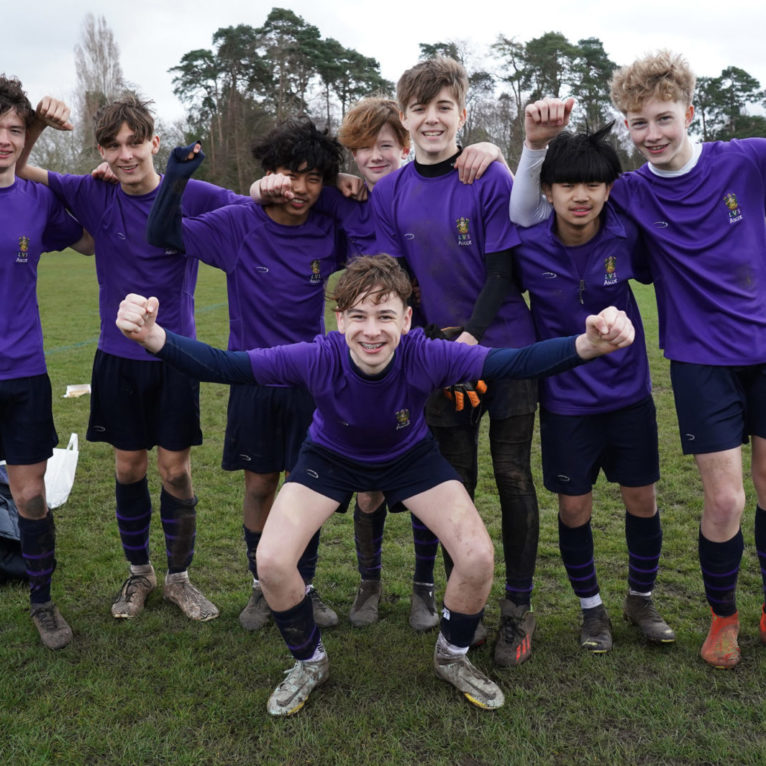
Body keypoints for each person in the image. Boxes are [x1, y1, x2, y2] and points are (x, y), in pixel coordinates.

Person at [115, 254, 636, 715]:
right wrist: (152, 337)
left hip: (410, 458)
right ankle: (309, 662)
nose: (372, 330)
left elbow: (511, 362)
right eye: (359, 316)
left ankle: (452, 656)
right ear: (339, 319)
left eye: (386, 316)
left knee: (477, 556)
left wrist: (587, 344)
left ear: (407, 320)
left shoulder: (427, 353)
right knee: (272, 562)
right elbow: (226, 366)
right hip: (330, 459)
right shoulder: (317, 355)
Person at [509, 50, 766, 669]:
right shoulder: (626, 194)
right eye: (638, 122)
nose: (651, 134)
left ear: (689, 112)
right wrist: (512, 151)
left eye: (663, 119)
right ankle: (722, 615)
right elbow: (535, 206)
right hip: (699, 358)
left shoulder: (749, 159)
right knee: (726, 501)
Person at [251, 98, 505, 632]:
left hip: (420, 347)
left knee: (420, 474)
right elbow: (291, 194)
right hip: (366, 347)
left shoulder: (423, 186)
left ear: (405, 145)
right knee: (368, 486)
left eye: (384, 146)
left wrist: (493, 148)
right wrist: (262, 186)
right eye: (361, 150)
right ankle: (369, 584)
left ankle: (423, 586)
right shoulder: (344, 200)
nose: (372, 157)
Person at [17, 95, 244, 623]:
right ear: (100, 149)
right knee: (128, 466)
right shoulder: (91, 192)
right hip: (116, 358)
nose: (125, 155)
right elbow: (19, 165)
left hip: (177, 356)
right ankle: (139, 574)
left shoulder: (192, 193)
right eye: (113, 145)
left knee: (175, 470)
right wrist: (34, 125)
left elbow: (254, 203)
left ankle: (180, 579)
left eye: (134, 142)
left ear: (154, 143)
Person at [146, 118, 348, 632]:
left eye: (314, 178)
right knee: (260, 486)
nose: (300, 189)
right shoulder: (240, 222)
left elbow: (370, 215)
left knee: (306, 487)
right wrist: (176, 177)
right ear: (269, 173)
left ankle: (303, 583)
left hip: (311, 381)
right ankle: (262, 588)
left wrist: (344, 186)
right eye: (289, 174)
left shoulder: (329, 228)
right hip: (253, 379)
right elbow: (163, 231)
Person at [371, 57, 540, 667]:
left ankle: (517, 610)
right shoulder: (389, 190)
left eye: (445, 107)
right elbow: (397, 281)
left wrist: (471, 338)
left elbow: (503, 272)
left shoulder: (487, 177)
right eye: (420, 108)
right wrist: (431, 348)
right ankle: (462, 606)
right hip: (439, 359)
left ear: (462, 113)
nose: (433, 119)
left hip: (505, 351)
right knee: (453, 487)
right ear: (405, 117)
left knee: (514, 476)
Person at [513, 123, 675, 652]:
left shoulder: (628, 233)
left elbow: (669, 270)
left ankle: (641, 599)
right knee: (574, 509)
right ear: (547, 191)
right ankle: (592, 612)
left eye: (593, 185)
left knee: (642, 500)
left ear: (609, 188)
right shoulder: (526, 246)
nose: (580, 196)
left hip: (629, 395)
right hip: (565, 402)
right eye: (567, 185)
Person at [0, 77, 93, 648]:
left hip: (24, 372)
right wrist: (34, 126)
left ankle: (42, 602)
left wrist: (101, 186)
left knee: (30, 495)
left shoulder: (36, 199)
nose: (5, 142)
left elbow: (88, 240)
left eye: (13, 130)